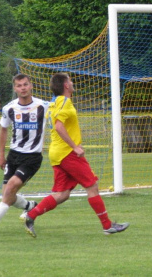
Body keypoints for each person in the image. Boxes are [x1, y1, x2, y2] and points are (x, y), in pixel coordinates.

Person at [24, 73, 129, 237]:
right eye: (70, 81)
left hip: (56, 152)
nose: (72, 83)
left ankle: (31, 215)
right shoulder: (64, 102)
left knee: (62, 194)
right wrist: (75, 147)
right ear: (66, 85)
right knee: (92, 186)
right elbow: (59, 127)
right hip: (67, 152)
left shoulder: (54, 102)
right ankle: (108, 226)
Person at [0, 74, 49, 235]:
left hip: (32, 157)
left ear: (31, 86)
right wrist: (1, 155)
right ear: (15, 88)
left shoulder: (43, 106)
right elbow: (3, 130)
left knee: (9, 190)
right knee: (7, 194)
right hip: (14, 155)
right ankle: (30, 206)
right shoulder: (9, 108)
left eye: (25, 84)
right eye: (19, 85)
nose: (22, 88)